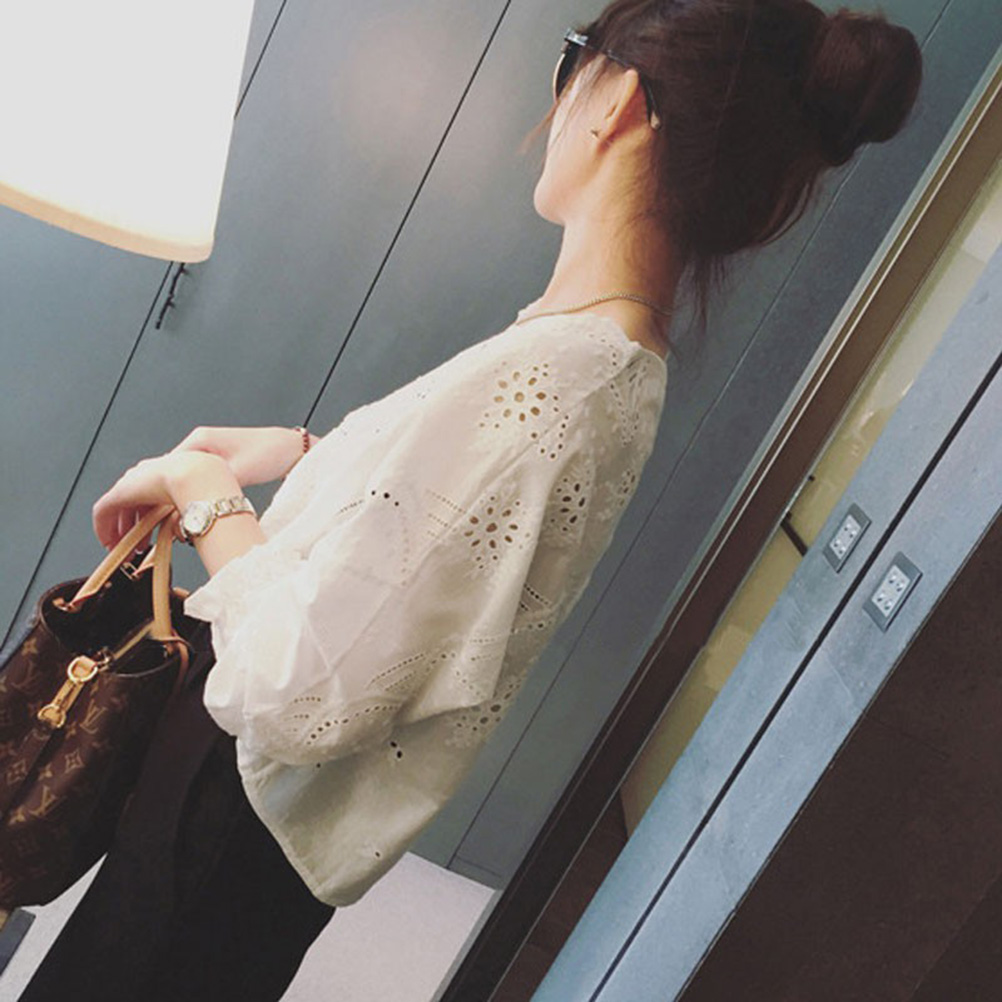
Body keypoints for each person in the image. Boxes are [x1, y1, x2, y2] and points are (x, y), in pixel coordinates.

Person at [18, 1, 922, 999]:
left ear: (618, 100)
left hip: (236, 813)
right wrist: (312, 451)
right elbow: (451, 540)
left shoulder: (554, 380)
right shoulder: (612, 360)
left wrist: (204, 493)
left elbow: (300, 696)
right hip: (259, 837)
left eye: (574, 58)